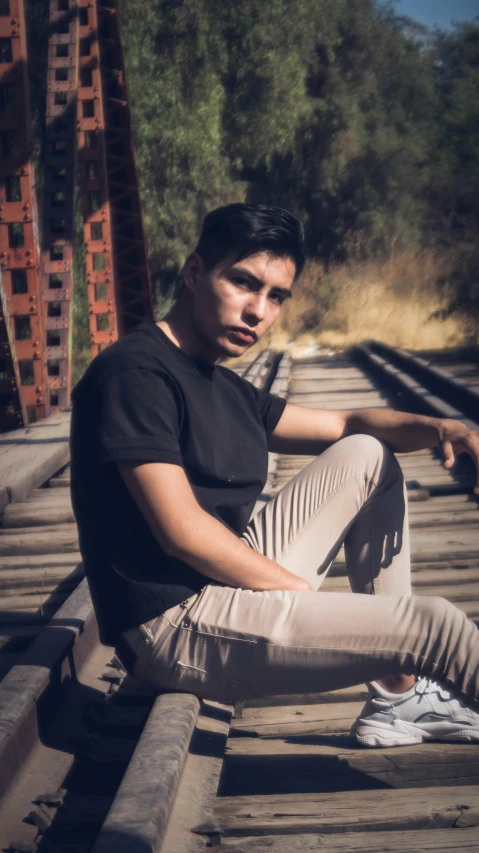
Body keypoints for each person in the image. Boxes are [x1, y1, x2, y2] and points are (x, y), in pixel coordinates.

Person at [70, 203, 479, 748]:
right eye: (244, 284)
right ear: (195, 273)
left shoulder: (218, 382)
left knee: (367, 454)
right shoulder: (136, 374)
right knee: (435, 627)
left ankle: (398, 699)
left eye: (276, 296)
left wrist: (442, 428)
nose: (258, 311)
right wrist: (295, 596)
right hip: (175, 626)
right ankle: (403, 678)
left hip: (221, 593)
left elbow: (344, 422)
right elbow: (182, 530)